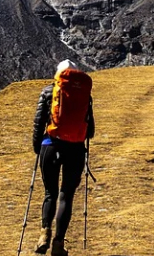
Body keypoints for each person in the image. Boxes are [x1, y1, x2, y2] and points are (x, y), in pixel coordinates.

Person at [31, 60, 95, 256]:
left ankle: (44, 235)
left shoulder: (49, 92)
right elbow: (90, 131)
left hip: (50, 146)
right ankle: (58, 244)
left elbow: (38, 122)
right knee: (66, 196)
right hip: (75, 150)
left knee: (50, 192)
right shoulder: (85, 95)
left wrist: (38, 148)